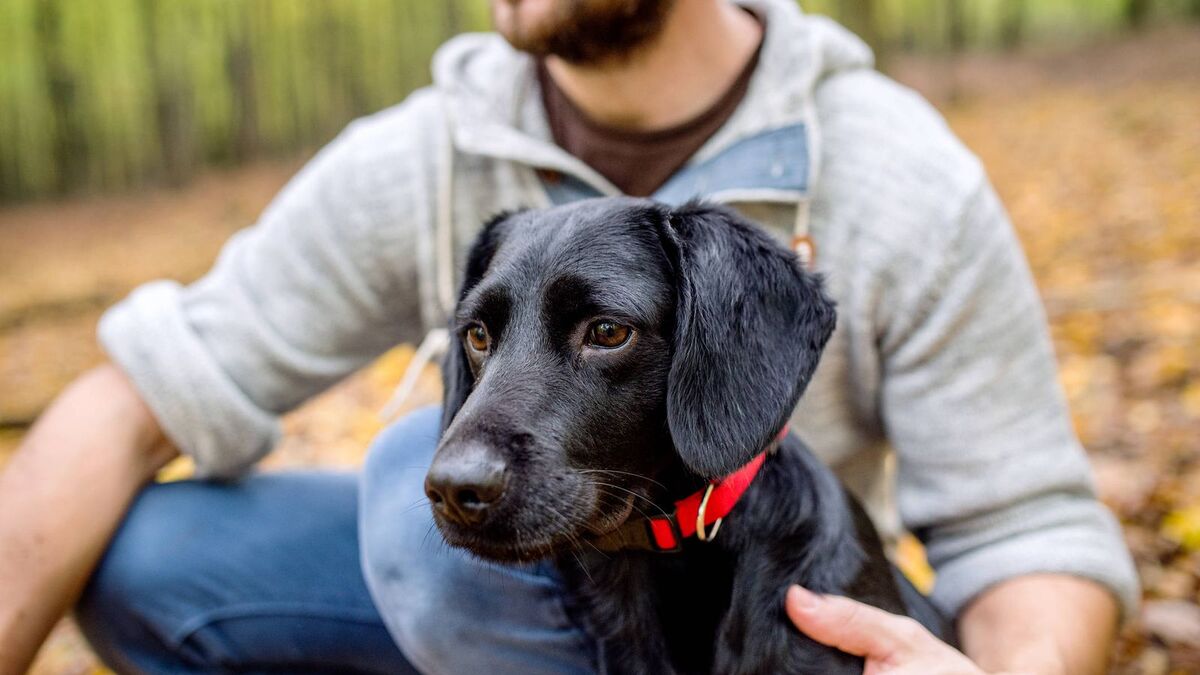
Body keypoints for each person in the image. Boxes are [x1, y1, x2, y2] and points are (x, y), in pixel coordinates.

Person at [0, 0, 1138, 673]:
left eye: (600, 328)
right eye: (480, 341)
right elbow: (135, 393)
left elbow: (1030, 528)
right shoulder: (421, 153)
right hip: (495, 582)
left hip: (747, 591)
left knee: (416, 474)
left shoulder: (904, 177)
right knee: (173, 547)